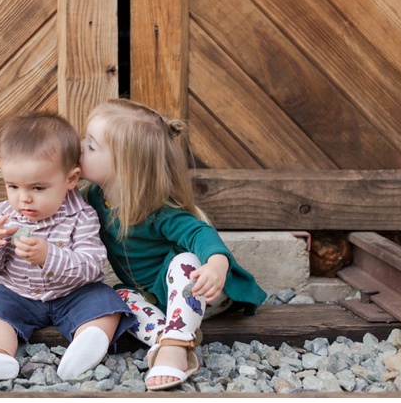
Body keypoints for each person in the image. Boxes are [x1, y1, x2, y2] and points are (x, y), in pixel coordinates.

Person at [79, 98, 267, 391]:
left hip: (201, 289)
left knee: (184, 263)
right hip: (159, 298)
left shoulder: (157, 211)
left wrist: (216, 265)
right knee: (116, 297)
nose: (80, 147)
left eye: (90, 146)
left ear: (125, 166)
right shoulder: (92, 197)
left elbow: (199, 234)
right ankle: (170, 339)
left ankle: (175, 346)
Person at [0, 112, 136, 383]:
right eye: (12, 186)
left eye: (38, 187)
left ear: (71, 179)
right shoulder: (0, 216)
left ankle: (86, 346)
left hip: (74, 294)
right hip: (18, 295)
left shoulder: (82, 215)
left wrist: (50, 255)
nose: (23, 198)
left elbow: (91, 264)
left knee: (106, 302)